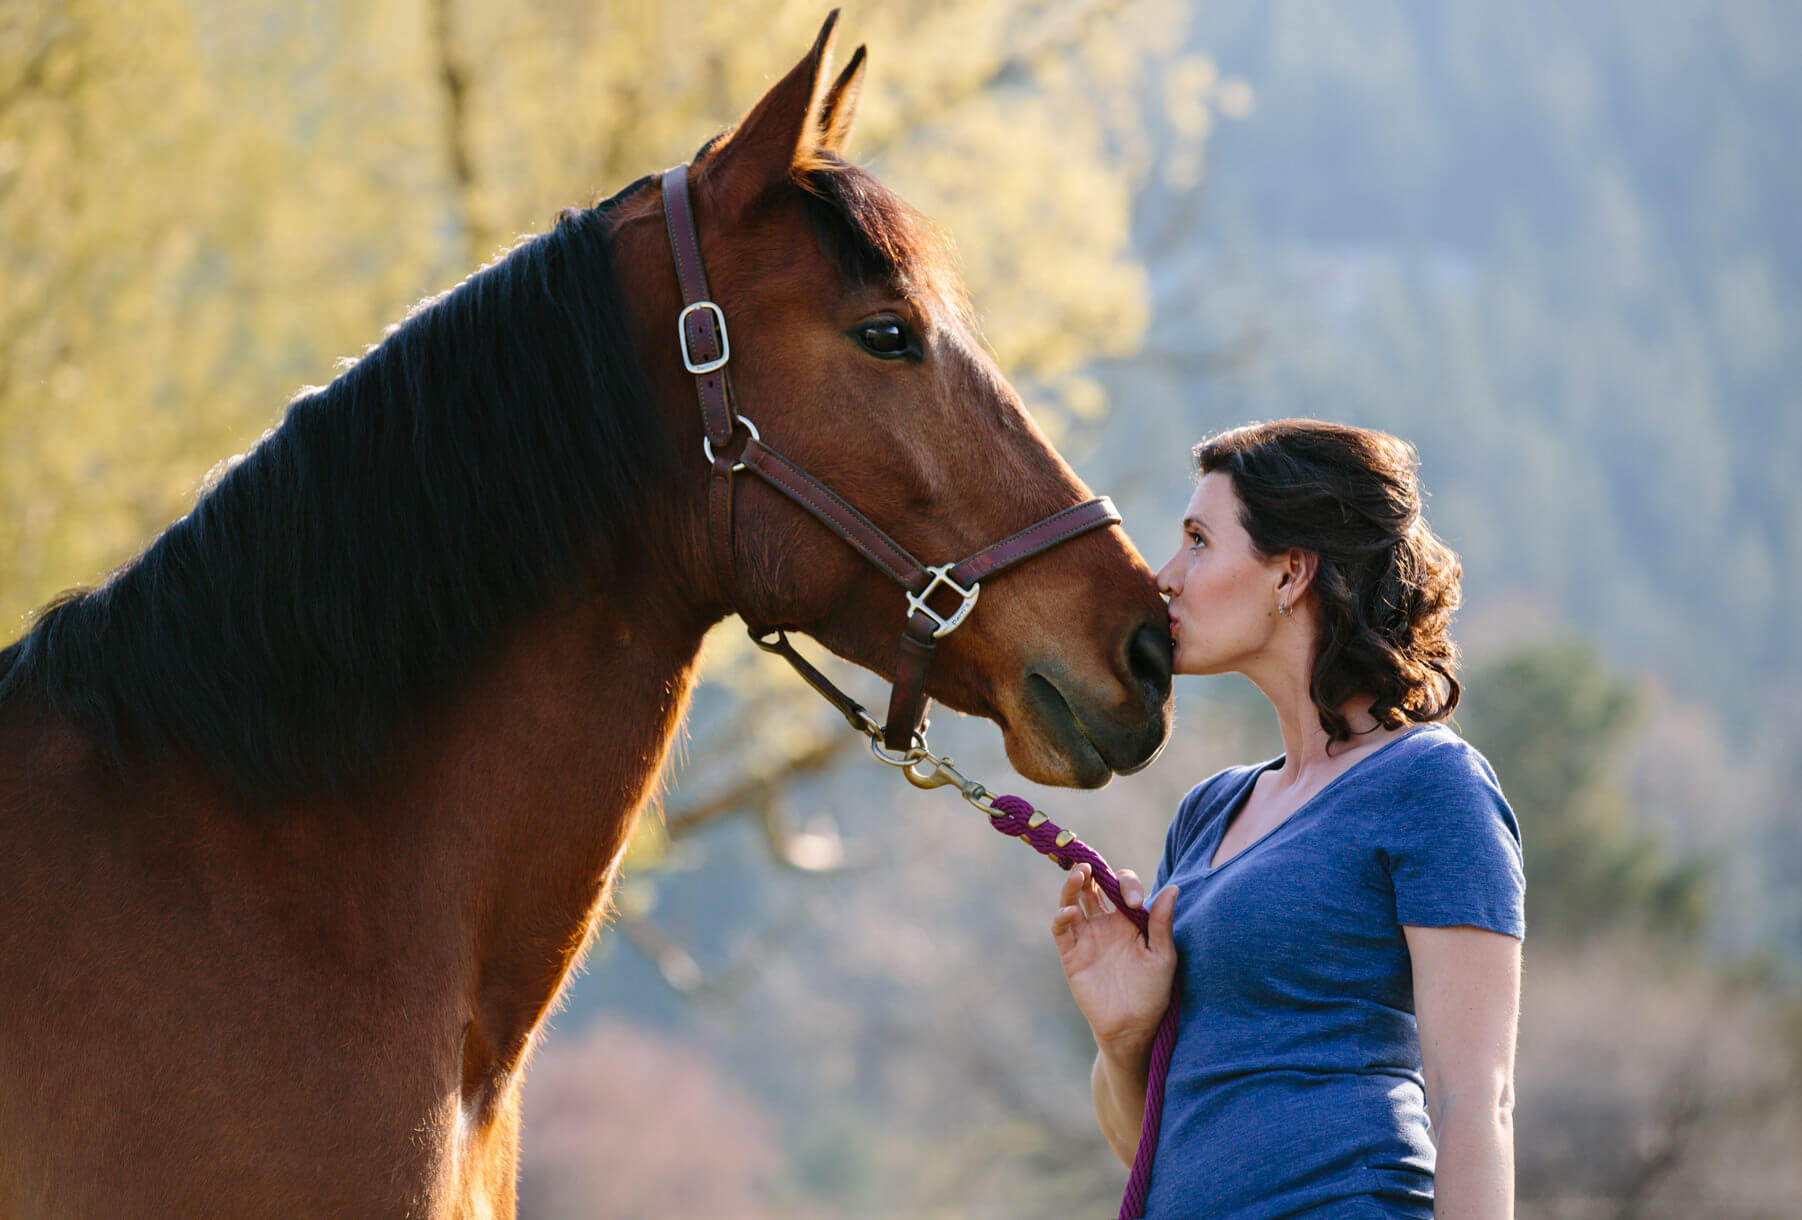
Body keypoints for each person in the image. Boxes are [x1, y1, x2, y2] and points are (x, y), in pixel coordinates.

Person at [1054, 419, 1523, 1218]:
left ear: (1290, 573)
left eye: (1199, 541)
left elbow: (1475, 1100)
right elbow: (1153, 1150)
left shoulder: (1431, 784)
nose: (1165, 578)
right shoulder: (1209, 812)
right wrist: (1122, 1036)